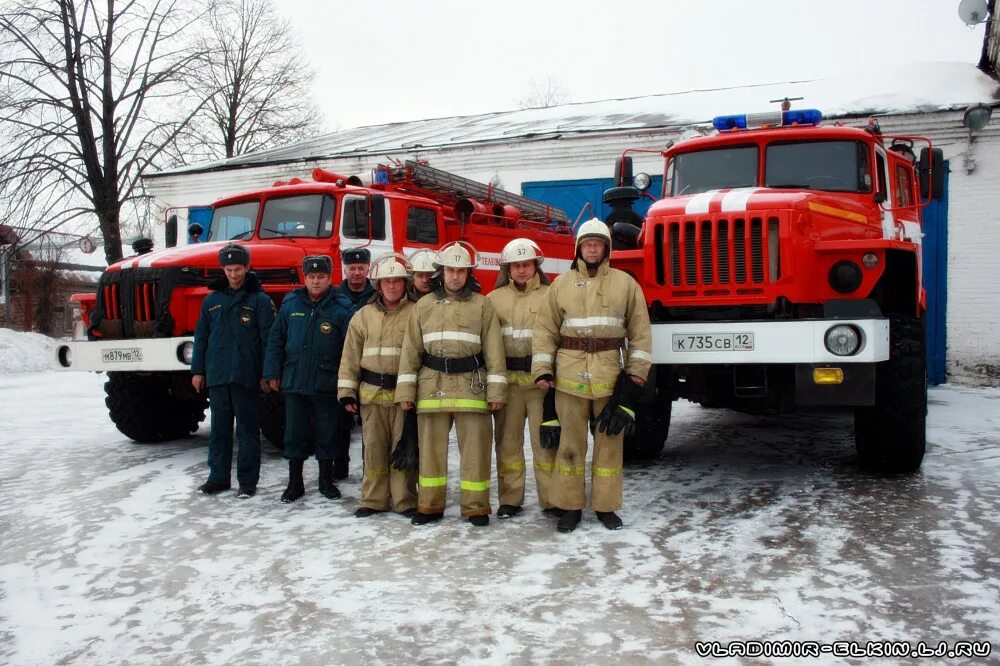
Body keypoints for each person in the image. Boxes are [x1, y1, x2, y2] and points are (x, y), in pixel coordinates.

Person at [532, 219, 652, 533]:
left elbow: (640, 334)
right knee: (569, 446)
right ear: (578, 249)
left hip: (610, 379)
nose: (592, 248)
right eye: (587, 244)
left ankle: (605, 506)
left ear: (606, 247)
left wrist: (635, 377)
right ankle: (570, 507)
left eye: (598, 243)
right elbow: (544, 330)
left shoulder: (626, 283)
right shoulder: (561, 284)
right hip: (569, 379)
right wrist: (543, 369)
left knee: (609, 447)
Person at [395, 242, 506, 527]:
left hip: (472, 387)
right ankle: (430, 506)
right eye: (449, 270)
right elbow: (410, 352)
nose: (455, 276)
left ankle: (476, 507)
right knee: (430, 452)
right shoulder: (424, 305)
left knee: (476, 451)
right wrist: (406, 392)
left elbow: (494, 351)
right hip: (432, 387)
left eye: (461, 271)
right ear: (440, 272)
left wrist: (496, 391)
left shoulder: (483, 304)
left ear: (469, 273)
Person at [264, 255, 353, 503]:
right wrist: (272, 373)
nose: (316, 281)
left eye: (321, 277)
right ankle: (295, 483)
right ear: (305, 278)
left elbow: (351, 348)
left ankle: (326, 481)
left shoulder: (342, 308)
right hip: (295, 381)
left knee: (327, 433)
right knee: (294, 434)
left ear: (330, 278)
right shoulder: (291, 304)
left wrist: (348, 382)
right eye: (312, 277)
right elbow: (276, 340)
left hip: (327, 383)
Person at [338, 254, 419, 518]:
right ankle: (373, 499)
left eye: (397, 281)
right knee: (373, 449)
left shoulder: (416, 313)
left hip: (403, 395)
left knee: (402, 448)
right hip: (371, 395)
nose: (392, 286)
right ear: (379, 285)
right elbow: (350, 356)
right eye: (387, 281)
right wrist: (347, 391)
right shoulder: (363, 316)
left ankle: (405, 500)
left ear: (405, 284)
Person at [191, 244, 275, 498]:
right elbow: (201, 337)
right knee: (219, 431)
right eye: (229, 269)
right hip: (217, 375)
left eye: (238, 269)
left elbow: (268, 340)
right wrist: (198, 370)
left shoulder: (259, 300)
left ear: (248, 268)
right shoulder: (212, 300)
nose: (234, 274)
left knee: (247, 432)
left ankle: (247, 482)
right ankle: (218, 478)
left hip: (246, 376)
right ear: (223, 270)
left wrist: (267, 373)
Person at [487, 238, 554, 518]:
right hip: (509, 384)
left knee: (546, 444)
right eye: (516, 265)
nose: (522, 270)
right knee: (507, 444)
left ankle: (552, 501)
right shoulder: (493, 299)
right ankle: (510, 500)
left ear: (536, 266)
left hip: (540, 384)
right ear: (508, 269)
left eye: (527, 264)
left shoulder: (552, 295)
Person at [332, 247, 376, 479]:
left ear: (368, 268)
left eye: (361, 268)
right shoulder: (335, 296)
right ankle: (340, 467)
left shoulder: (378, 295)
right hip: (345, 367)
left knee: (371, 426)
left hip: (372, 368)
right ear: (345, 269)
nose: (356, 273)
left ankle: (371, 471)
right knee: (340, 423)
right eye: (352, 268)